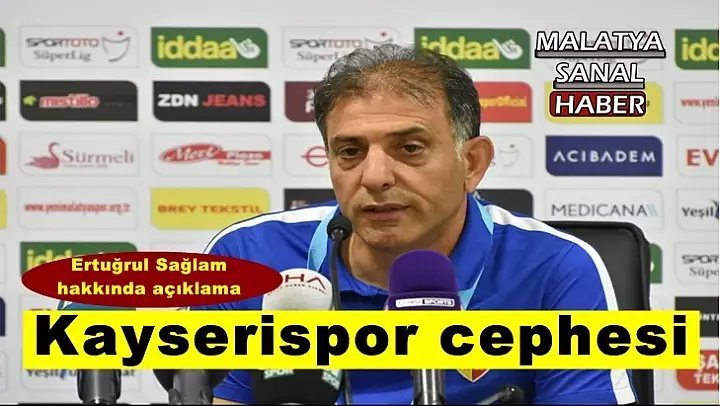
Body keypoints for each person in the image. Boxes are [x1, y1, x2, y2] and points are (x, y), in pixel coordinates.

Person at [197, 44, 637, 405]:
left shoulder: (555, 266)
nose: (374, 177)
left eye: (409, 148)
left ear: (472, 163)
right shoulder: (249, 256)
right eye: (350, 152)